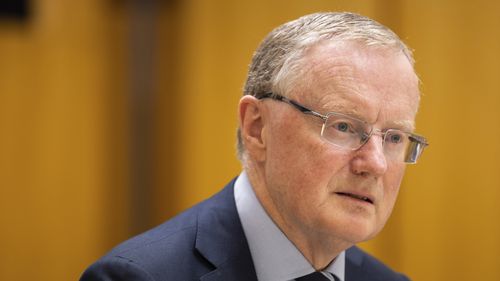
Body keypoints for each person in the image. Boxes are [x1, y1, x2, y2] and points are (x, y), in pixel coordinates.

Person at [81, 12, 428, 281]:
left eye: (395, 137)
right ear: (257, 127)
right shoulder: (137, 276)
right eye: (343, 127)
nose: (376, 164)